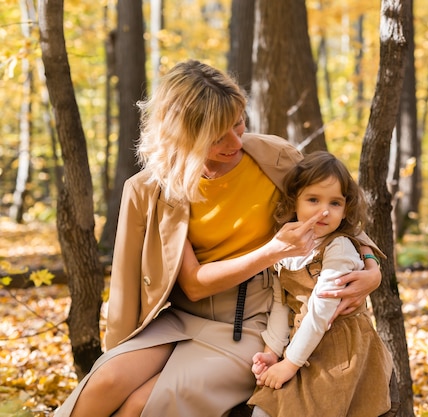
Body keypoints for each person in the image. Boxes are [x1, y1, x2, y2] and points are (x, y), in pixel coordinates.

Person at [53, 59, 383, 417]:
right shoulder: (149, 190)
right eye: (218, 135)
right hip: (177, 319)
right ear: (182, 134)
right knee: (106, 382)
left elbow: (332, 213)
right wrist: (118, 350)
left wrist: (372, 266)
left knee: (139, 405)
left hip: (255, 321)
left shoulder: (276, 158)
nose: (235, 142)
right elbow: (180, 287)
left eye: (238, 124)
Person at [247, 151, 394, 417]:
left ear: (346, 208)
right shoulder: (288, 247)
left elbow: (320, 311)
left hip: (340, 350)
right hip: (302, 343)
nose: (324, 211)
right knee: (266, 408)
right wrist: (272, 353)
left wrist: (289, 364)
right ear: (294, 202)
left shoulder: (338, 247)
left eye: (335, 203)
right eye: (313, 199)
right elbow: (282, 304)